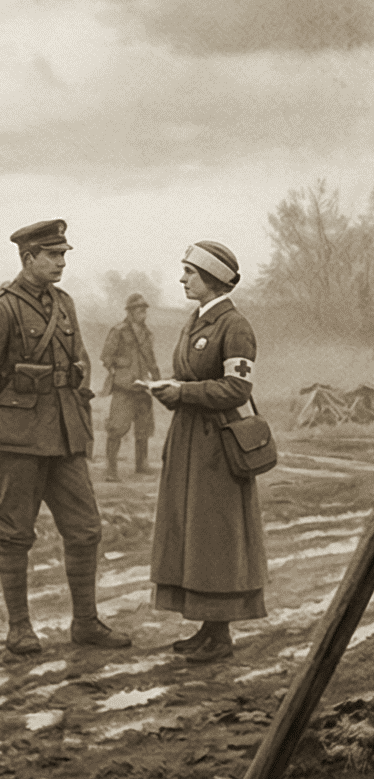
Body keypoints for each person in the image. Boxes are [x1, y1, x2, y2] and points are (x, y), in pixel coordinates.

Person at [0, 219, 131, 655]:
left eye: (63, 255)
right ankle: (19, 628)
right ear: (28, 258)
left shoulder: (65, 303)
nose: (60, 263)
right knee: (16, 533)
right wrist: (16, 408)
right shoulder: (1, 307)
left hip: (64, 435)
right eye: (52, 256)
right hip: (19, 440)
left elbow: (79, 363)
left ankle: (86, 622)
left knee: (85, 529)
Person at [146, 242, 268, 661]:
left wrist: (183, 391)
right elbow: (192, 377)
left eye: (189, 273)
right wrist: (172, 392)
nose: (182, 279)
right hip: (188, 440)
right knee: (192, 533)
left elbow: (238, 388)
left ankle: (220, 635)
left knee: (214, 536)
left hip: (217, 444)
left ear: (212, 279)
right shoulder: (195, 321)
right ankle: (207, 628)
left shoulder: (235, 326)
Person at [100, 293, 159, 481]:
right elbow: (106, 357)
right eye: (139, 309)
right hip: (124, 388)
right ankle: (111, 470)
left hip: (142, 387)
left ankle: (141, 465)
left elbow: (150, 358)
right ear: (130, 311)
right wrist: (121, 367)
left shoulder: (147, 333)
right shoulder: (119, 331)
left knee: (144, 428)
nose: (143, 313)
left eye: (144, 309)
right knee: (117, 428)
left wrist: (156, 379)